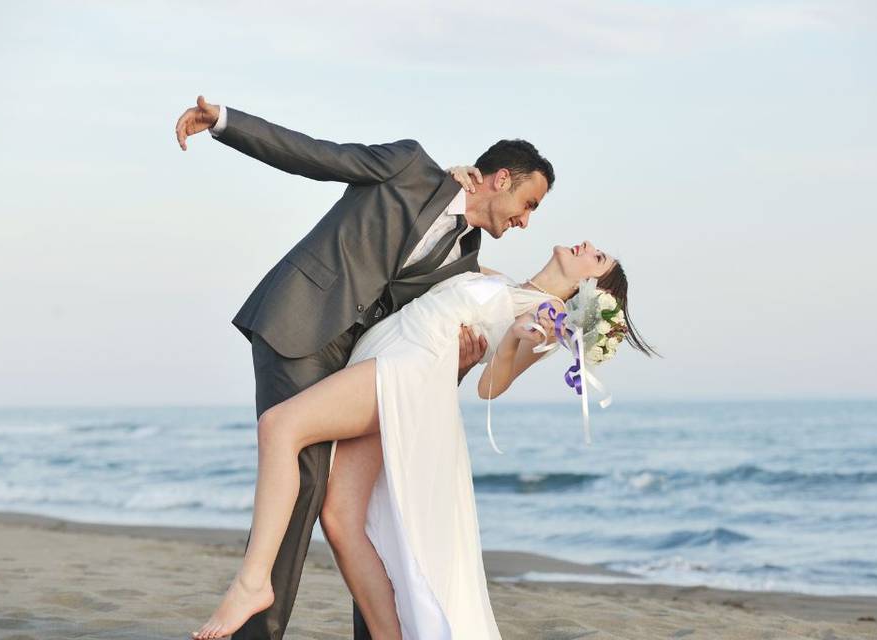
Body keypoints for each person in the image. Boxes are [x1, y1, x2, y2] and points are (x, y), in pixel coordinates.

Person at [174, 95, 555, 640]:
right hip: (300, 324)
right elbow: (318, 156)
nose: (526, 219)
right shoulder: (412, 167)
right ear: (499, 179)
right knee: (305, 480)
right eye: (529, 202)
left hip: (358, 358)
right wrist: (227, 123)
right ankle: (255, 626)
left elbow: (429, 331)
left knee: (367, 501)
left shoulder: (465, 260)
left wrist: (464, 363)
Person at [190, 240, 655, 639]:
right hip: (378, 360)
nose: (587, 247)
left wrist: (516, 338)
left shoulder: (542, 318)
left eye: (597, 258)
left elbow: (490, 384)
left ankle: (254, 581)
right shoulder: (503, 280)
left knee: (280, 426)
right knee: (339, 517)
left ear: (588, 290)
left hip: (404, 372)